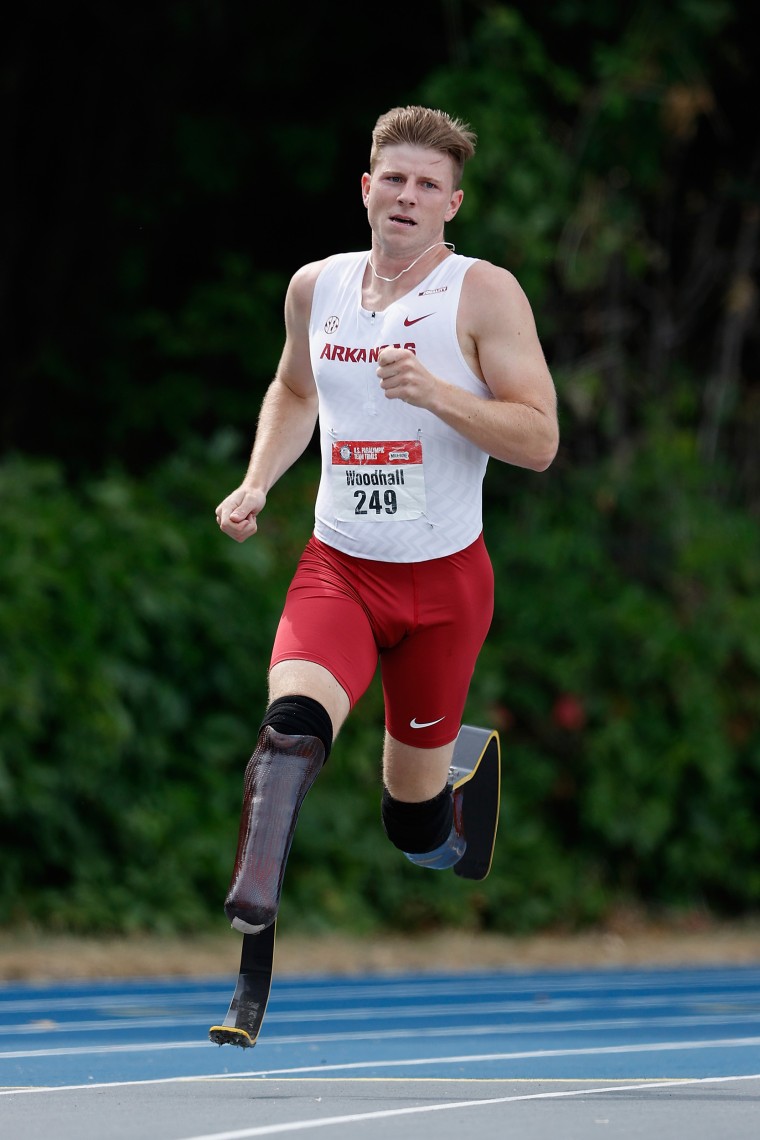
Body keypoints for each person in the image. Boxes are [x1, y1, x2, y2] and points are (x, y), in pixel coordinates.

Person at [215, 104, 559, 936]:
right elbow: (296, 389)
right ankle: (251, 909)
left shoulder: (481, 293)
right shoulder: (316, 286)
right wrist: (258, 480)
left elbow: (541, 439)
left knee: (413, 828)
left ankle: (450, 813)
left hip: (444, 586)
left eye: (427, 185)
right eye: (395, 179)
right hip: (340, 568)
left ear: (453, 203)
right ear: (368, 189)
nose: (408, 196)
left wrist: (436, 392)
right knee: (289, 735)